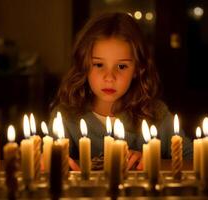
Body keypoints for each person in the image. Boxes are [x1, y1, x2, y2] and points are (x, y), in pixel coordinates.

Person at [50, 12, 193, 170]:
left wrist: (151, 160)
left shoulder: (156, 115)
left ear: (138, 69)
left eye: (122, 66)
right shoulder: (65, 118)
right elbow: (50, 164)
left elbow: (192, 159)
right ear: (84, 65)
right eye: (98, 64)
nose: (109, 77)